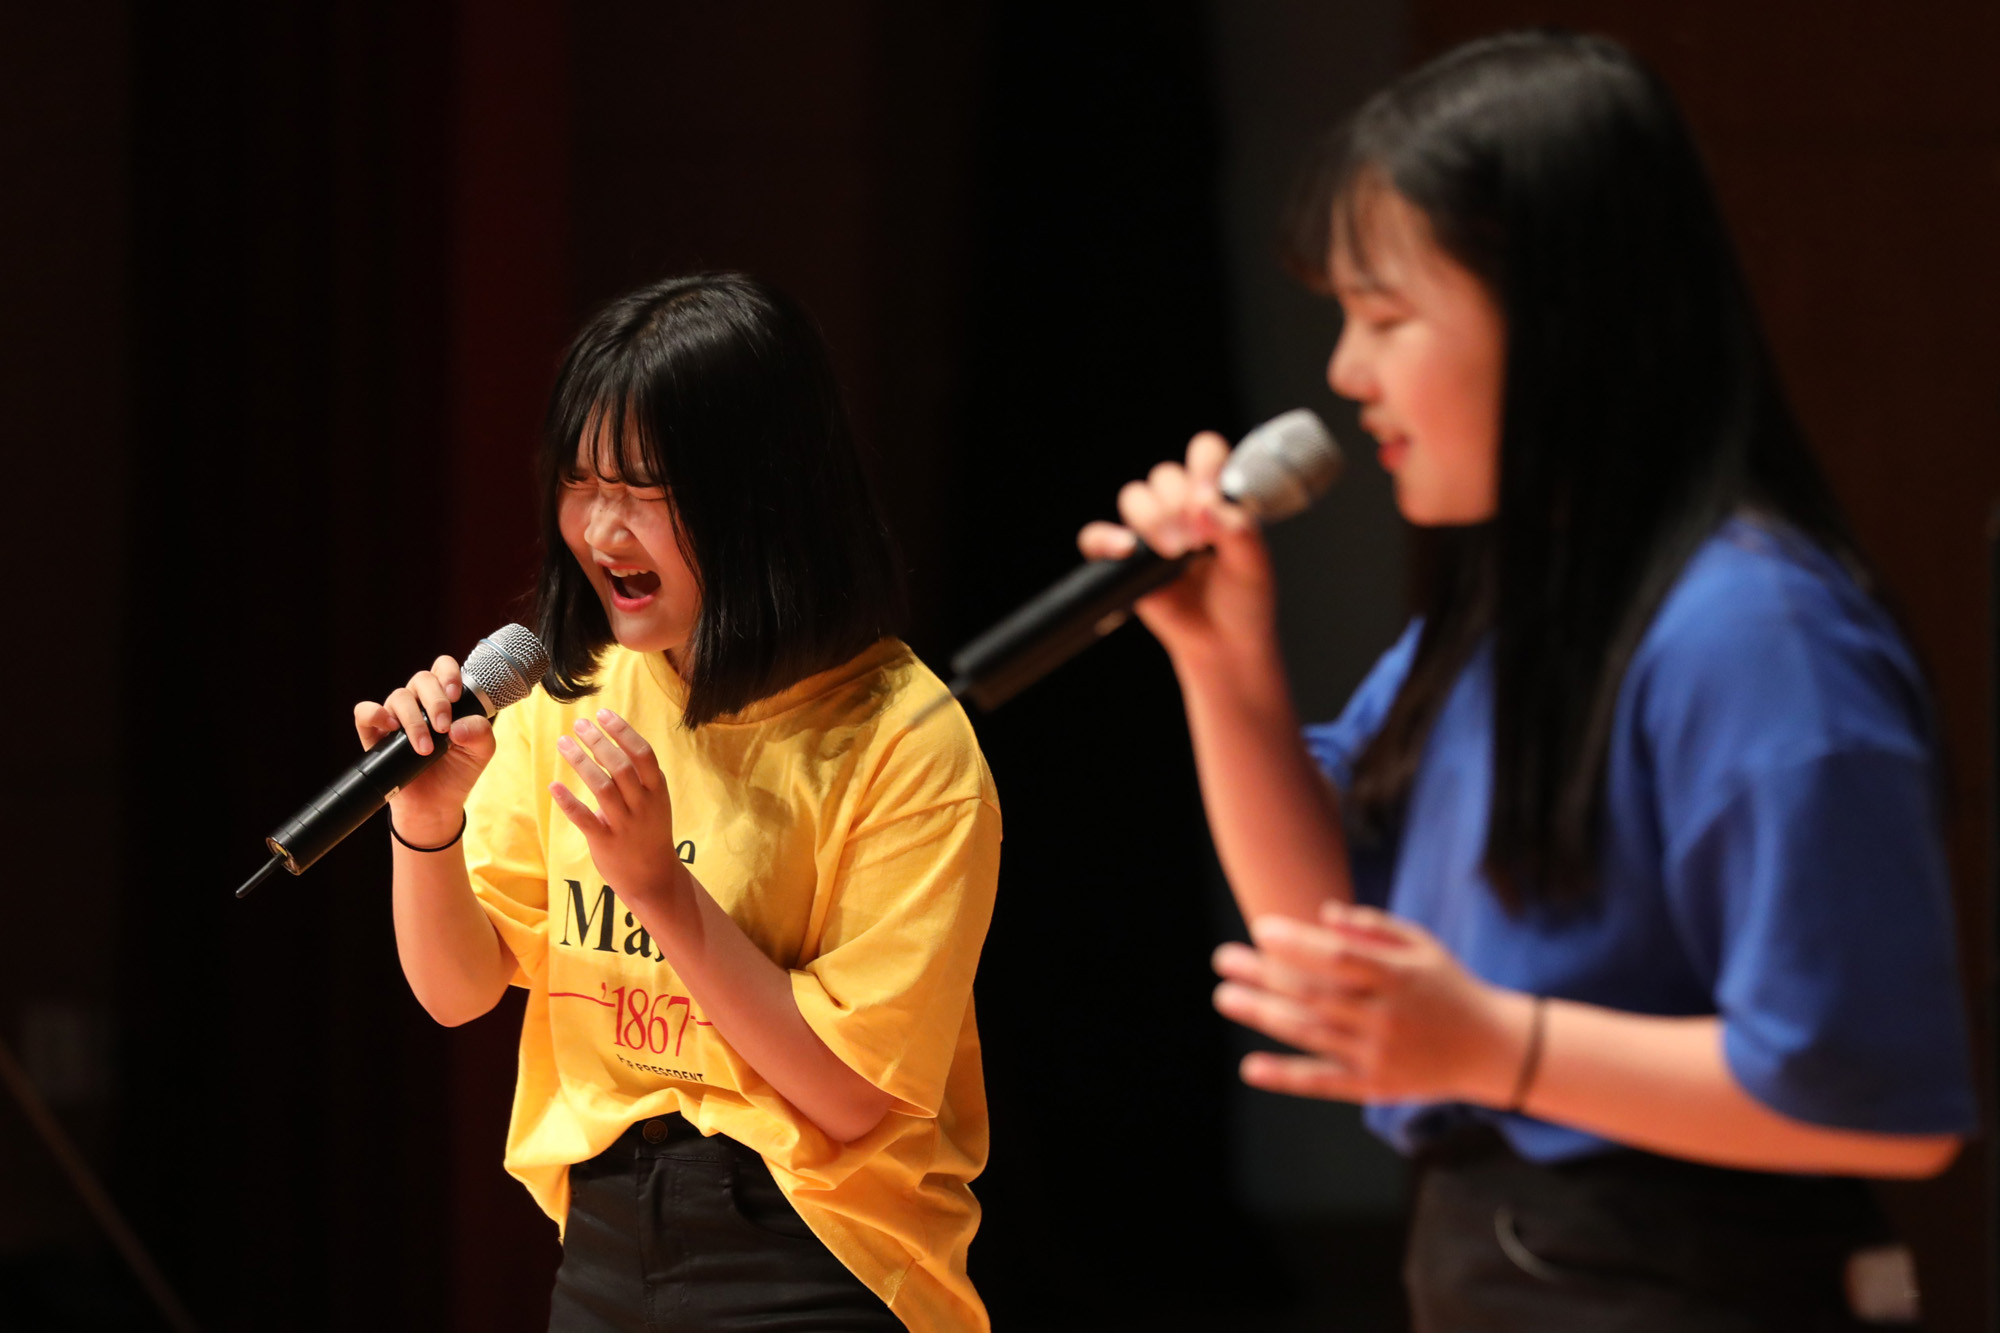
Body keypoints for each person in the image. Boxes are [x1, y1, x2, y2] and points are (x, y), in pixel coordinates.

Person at [1079, 31, 1975, 1331]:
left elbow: (1879, 1104)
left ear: (1564, 315)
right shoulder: (1518, 609)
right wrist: (1225, 667)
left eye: (1385, 315)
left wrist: (1497, 1044)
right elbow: (1330, 944)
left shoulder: (1757, 632)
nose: (1344, 371)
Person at [354, 273, 1001, 1333]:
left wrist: (658, 888)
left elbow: (847, 1095)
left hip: (820, 1256)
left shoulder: (903, 737)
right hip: (607, 1240)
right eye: (579, 479)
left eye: (644, 487)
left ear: (762, 493)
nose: (600, 527)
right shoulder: (570, 695)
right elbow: (457, 991)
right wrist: (424, 824)